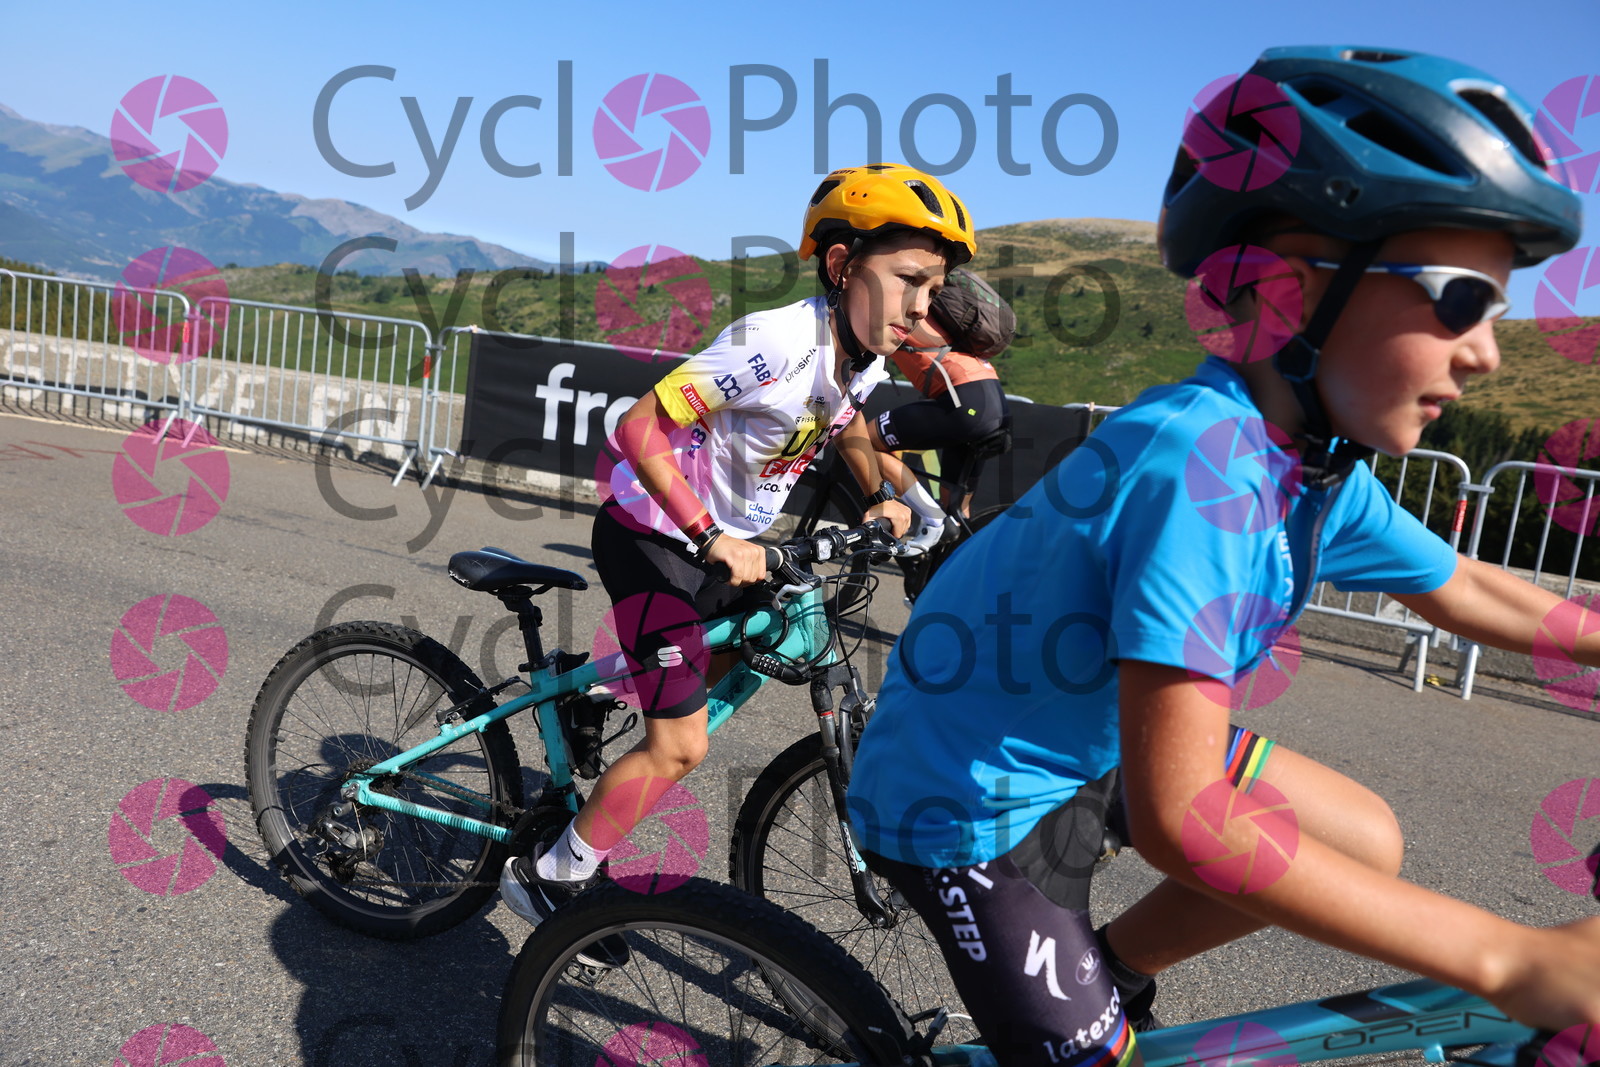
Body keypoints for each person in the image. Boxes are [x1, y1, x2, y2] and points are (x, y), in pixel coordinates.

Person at [845, 46, 1598, 1067]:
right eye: (1460, 300)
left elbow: (1466, 588)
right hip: (968, 792)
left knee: (1363, 838)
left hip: (1081, 735)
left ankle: (1104, 974)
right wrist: (1510, 958)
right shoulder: (1201, 464)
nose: (1486, 352)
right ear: (1288, 294)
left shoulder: (1314, 465)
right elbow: (1184, 819)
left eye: (1498, 312)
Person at [501, 162, 977, 925]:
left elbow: (847, 423)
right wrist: (711, 533)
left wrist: (897, 499)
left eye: (934, 288)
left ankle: (595, 693)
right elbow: (638, 427)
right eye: (908, 280)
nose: (922, 307)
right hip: (653, 534)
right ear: (842, 265)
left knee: (750, 643)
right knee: (681, 745)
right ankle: (548, 874)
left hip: (727, 544)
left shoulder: (860, 351)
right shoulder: (775, 343)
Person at [870, 266, 1016, 553]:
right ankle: (946, 567)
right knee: (956, 512)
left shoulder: (903, 308)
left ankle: (931, 520)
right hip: (993, 400)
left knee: (863, 441)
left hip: (965, 401)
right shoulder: (934, 312)